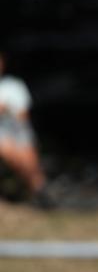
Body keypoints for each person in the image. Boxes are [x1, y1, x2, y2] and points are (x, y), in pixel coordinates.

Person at [0, 50, 50, 205]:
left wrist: (6, 109)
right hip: (3, 135)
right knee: (6, 147)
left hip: (19, 132)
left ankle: (38, 192)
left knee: (29, 161)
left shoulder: (13, 86)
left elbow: (23, 115)